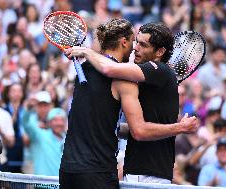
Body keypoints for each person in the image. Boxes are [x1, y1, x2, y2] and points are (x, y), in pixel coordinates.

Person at [62, 19, 198, 189]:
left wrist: (86, 52)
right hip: (130, 171)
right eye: (136, 42)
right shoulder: (134, 80)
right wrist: (111, 127)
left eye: (142, 44)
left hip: (151, 175)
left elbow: (109, 69)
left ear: (160, 52)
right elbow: (135, 128)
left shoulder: (160, 70)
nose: (136, 48)